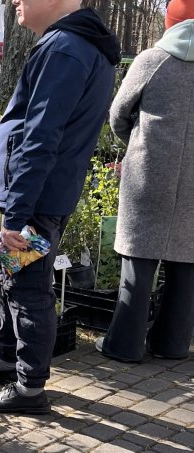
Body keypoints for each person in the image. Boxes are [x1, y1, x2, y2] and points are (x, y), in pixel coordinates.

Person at [0, 0, 120, 415]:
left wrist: (16, 215)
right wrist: (4, 127)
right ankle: (7, 360)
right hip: (39, 193)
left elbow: (42, 138)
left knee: (27, 287)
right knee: (8, 277)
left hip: (34, 199)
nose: (16, 2)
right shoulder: (72, 44)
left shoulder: (65, 49)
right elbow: (45, 122)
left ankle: (29, 389)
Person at [96, 0, 194, 362]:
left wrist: (138, 143)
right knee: (188, 263)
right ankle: (171, 344)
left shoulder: (152, 60)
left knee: (139, 258)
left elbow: (118, 115)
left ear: (171, 22)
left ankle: (124, 345)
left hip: (150, 173)